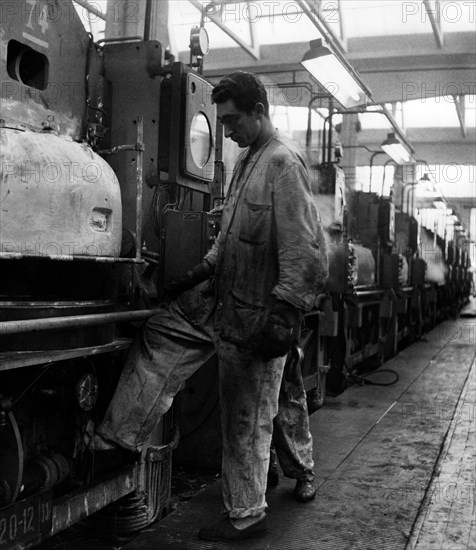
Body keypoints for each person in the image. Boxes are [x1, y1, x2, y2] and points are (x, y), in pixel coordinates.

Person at [92, 71, 328, 542]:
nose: (227, 130)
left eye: (234, 119)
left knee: (247, 415)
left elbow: (305, 250)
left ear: (260, 112)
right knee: (164, 333)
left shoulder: (283, 164)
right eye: (221, 121)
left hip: (259, 313)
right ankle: (118, 441)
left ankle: (248, 513)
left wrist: (284, 315)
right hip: (223, 301)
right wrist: (196, 274)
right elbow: (227, 239)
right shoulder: (245, 161)